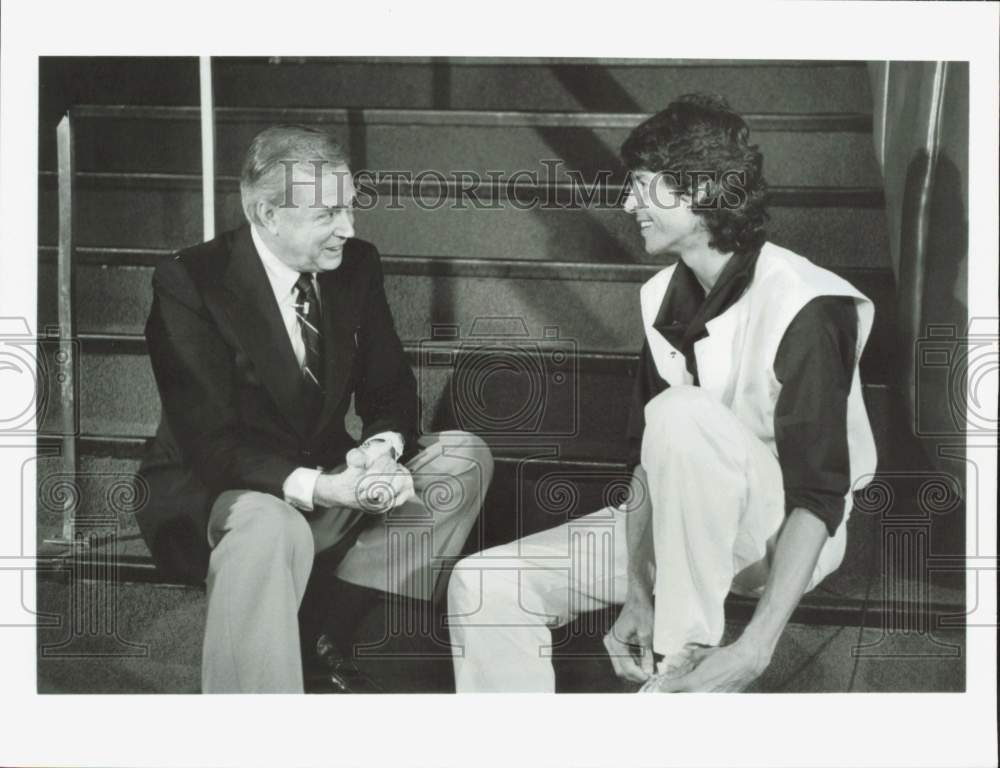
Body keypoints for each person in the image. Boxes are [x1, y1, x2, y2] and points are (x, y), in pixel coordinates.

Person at [446, 93, 876, 693]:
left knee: (681, 412)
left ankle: (680, 664)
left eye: (644, 188)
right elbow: (644, 466)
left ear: (698, 192)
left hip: (778, 534)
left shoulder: (807, 304)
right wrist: (639, 593)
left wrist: (754, 648)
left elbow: (820, 496)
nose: (628, 204)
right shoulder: (658, 296)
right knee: (485, 584)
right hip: (677, 521)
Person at [137, 125, 493, 693]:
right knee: (274, 526)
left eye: (349, 208)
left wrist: (380, 449)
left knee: (463, 457)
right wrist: (324, 489)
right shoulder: (190, 281)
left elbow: (390, 387)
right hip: (220, 487)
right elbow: (210, 444)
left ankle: (327, 629)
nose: (348, 229)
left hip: (329, 474)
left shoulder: (356, 264)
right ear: (266, 214)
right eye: (328, 214)